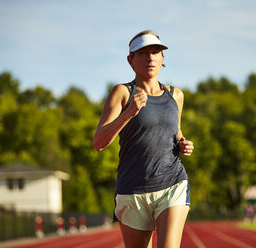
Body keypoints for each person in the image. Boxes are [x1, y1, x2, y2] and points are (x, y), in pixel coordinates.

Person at [93, 30, 194, 248]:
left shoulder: (176, 95)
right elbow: (99, 142)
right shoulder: (122, 92)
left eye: (155, 52)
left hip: (171, 183)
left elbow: (176, 133)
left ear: (162, 58)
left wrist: (184, 144)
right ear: (130, 60)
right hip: (133, 190)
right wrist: (128, 113)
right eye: (143, 53)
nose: (150, 58)